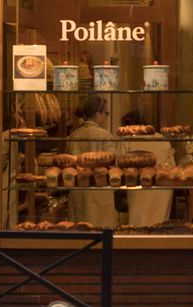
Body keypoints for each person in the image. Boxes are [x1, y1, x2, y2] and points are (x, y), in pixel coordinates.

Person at [119, 110, 175, 227]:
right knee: (159, 223)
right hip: (162, 186)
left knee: (138, 223)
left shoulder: (127, 140)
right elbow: (172, 167)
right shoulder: (162, 139)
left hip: (139, 184)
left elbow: (120, 164)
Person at [67, 96, 116, 228]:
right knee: (100, 230)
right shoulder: (104, 135)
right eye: (106, 113)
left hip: (77, 188)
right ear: (97, 114)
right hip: (99, 189)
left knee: (80, 230)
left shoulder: (74, 135)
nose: (106, 117)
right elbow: (112, 162)